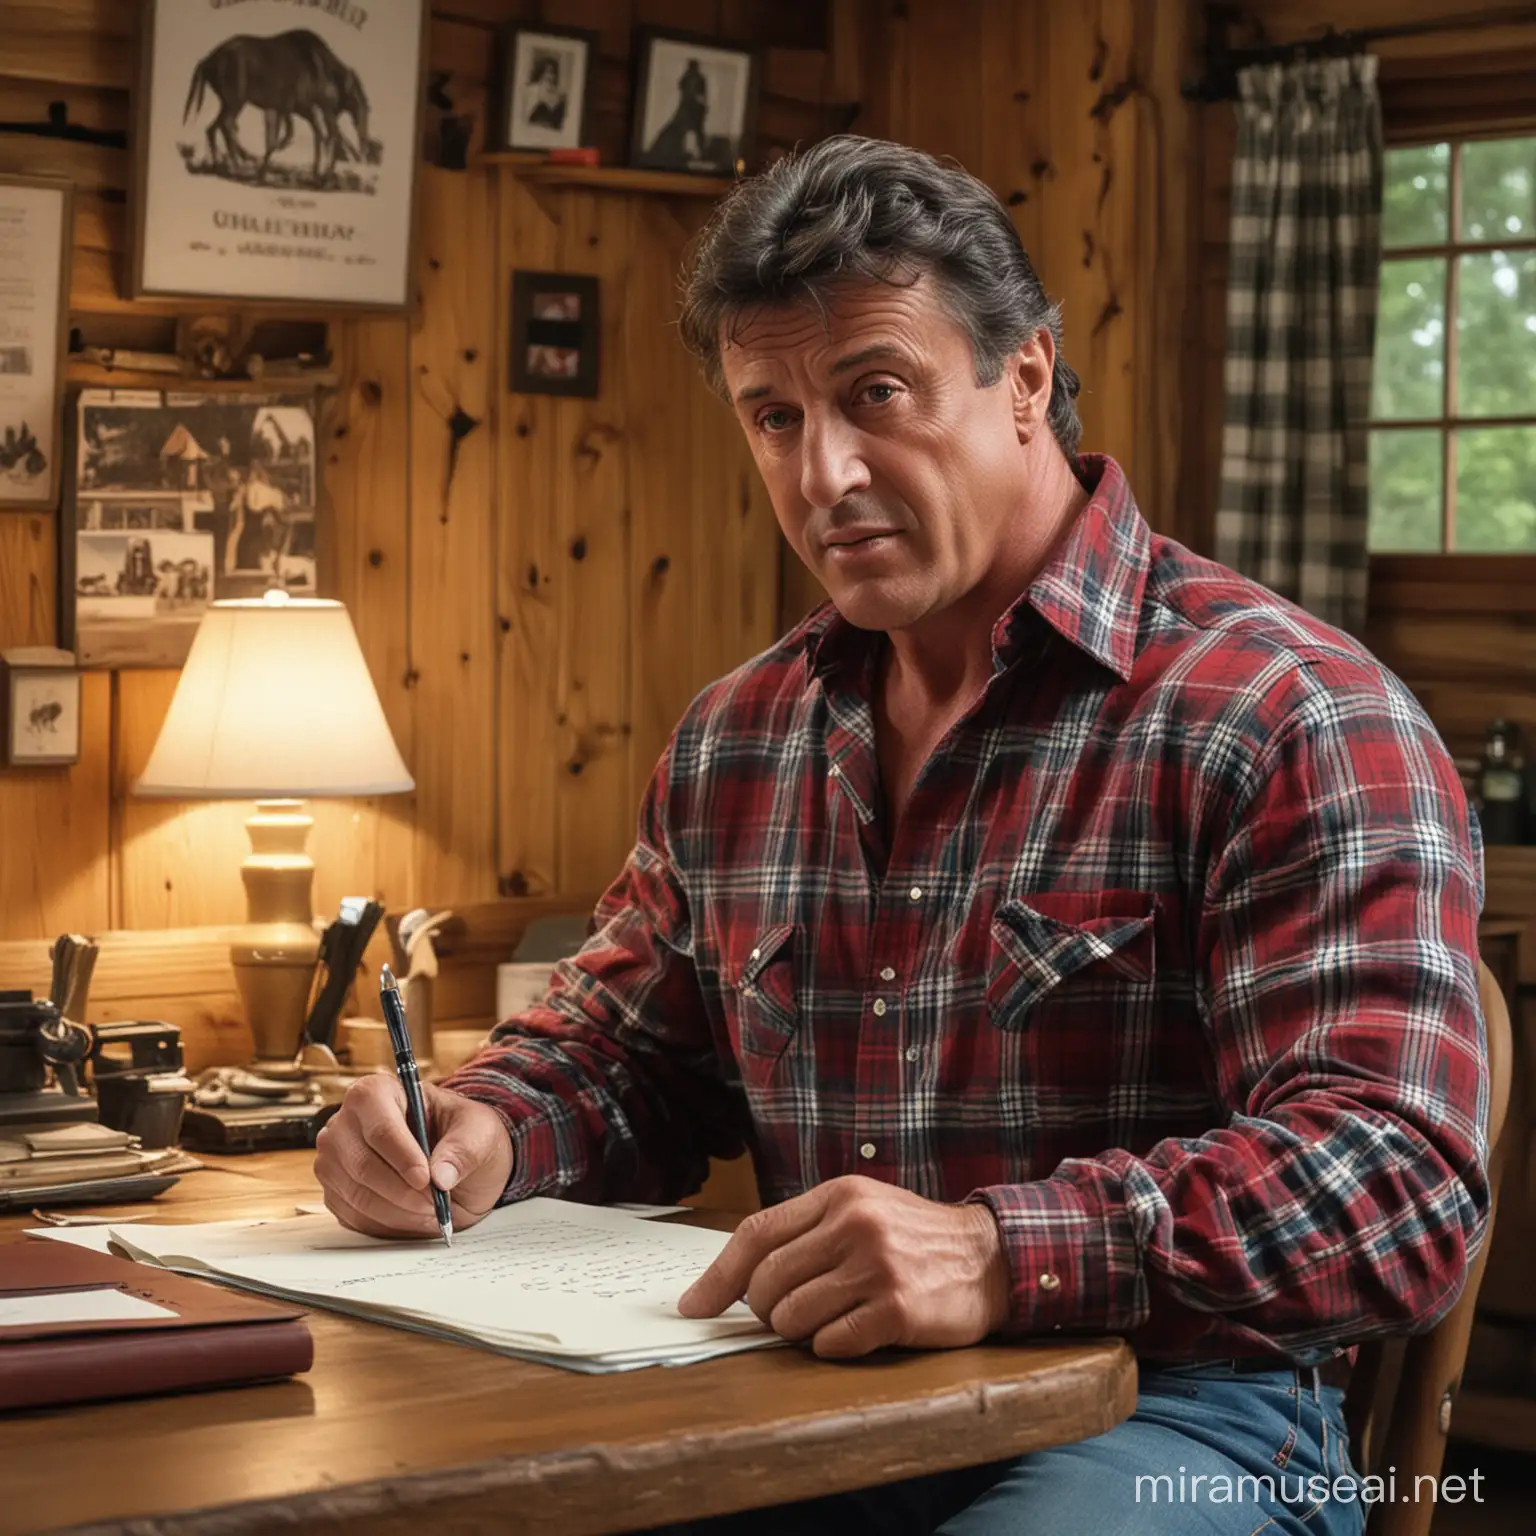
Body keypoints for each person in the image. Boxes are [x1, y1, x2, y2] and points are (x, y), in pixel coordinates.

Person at [315, 136, 1489, 1535]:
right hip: (799, 1401)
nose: (825, 475)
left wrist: (1003, 1253)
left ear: (1028, 381)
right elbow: (626, 1056)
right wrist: (482, 1128)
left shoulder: (1290, 714)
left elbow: (1395, 1183)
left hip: (1185, 1414)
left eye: (877, 394)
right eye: (774, 418)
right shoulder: (738, 736)